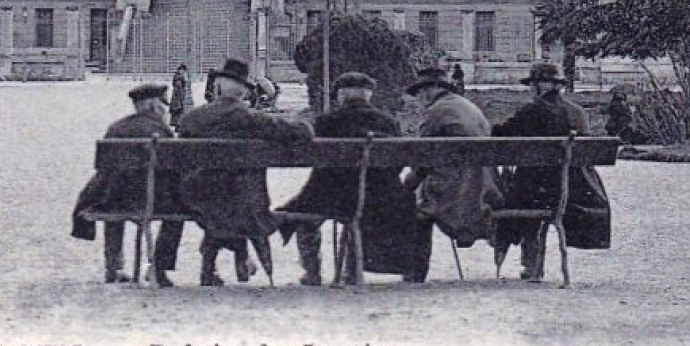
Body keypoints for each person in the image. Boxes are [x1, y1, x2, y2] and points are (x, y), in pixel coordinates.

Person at [275, 72, 427, 285]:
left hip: (332, 197)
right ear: (369, 96)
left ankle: (312, 272)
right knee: (356, 216)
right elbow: (396, 165)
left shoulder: (327, 122)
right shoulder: (388, 122)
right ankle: (351, 271)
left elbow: (312, 159)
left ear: (342, 95)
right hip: (380, 198)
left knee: (302, 215)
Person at [177, 58, 313, 286]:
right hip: (248, 202)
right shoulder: (254, 119)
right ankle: (248, 263)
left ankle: (219, 264)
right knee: (238, 194)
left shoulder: (192, 119)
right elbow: (302, 132)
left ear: (218, 87)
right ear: (245, 93)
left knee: (223, 196)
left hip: (202, 200)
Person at [492, 62, 612, 282]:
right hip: (575, 190)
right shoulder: (578, 112)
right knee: (529, 185)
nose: (531, 90)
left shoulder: (532, 111)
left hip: (540, 192)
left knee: (519, 191)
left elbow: (501, 135)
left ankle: (529, 264)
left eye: (533, 85)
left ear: (540, 86)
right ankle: (532, 265)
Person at [70, 83, 185, 287]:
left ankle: (113, 268)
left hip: (115, 199)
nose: (165, 109)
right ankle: (158, 268)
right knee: (176, 215)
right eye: (162, 104)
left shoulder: (116, 128)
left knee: (114, 194)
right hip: (155, 202)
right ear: (153, 106)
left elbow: (104, 172)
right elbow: (173, 168)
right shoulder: (160, 129)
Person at [404, 64, 502, 282]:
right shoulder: (469, 107)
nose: (419, 96)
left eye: (421, 91)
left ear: (433, 89)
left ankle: (415, 272)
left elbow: (422, 157)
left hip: (454, 193)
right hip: (485, 189)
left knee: (416, 209)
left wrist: (406, 187)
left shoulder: (435, 112)